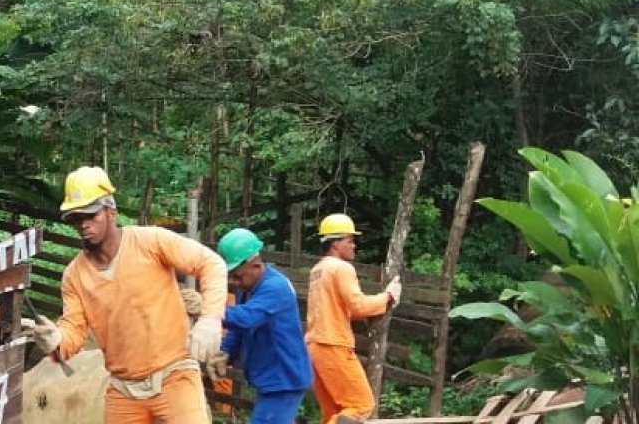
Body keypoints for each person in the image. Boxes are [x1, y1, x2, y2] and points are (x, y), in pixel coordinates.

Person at [24, 166, 227, 424]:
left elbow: (211, 264)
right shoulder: (75, 275)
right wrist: (57, 339)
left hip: (174, 375)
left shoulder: (150, 242)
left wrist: (210, 319)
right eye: (76, 218)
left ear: (111, 212)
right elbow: (74, 331)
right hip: (124, 388)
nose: (83, 224)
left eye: (90, 215)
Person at [205, 227, 312, 424]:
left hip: (284, 379)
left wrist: (206, 310)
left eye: (237, 276)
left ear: (255, 265)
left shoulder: (275, 287)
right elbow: (240, 328)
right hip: (270, 378)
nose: (233, 282)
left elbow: (247, 317)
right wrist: (225, 353)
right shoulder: (247, 288)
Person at [305, 213, 402, 424]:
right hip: (333, 344)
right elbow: (358, 305)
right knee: (361, 405)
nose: (354, 245)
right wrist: (388, 296)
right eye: (350, 240)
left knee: (334, 412)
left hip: (314, 346)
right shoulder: (341, 268)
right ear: (336, 243)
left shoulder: (318, 270)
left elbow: (351, 310)